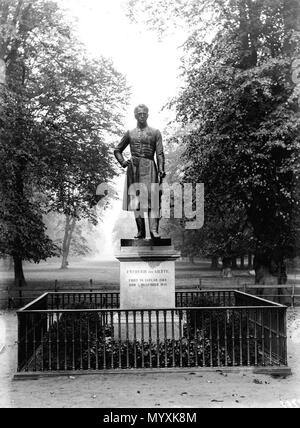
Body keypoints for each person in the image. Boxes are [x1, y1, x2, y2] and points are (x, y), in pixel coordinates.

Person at [114, 104, 166, 239]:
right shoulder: (130, 133)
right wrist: (123, 162)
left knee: (152, 199)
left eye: (144, 114)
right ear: (135, 116)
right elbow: (117, 150)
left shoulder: (155, 132)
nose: (141, 116)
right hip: (134, 168)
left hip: (149, 167)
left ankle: (154, 230)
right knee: (136, 201)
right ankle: (140, 232)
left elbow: (160, 153)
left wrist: (161, 169)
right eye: (139, 114)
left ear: (147, 115)